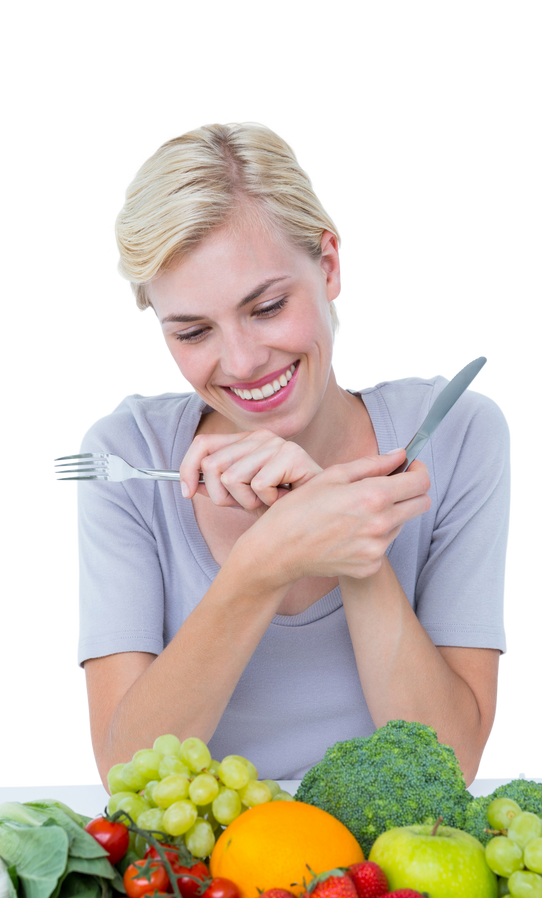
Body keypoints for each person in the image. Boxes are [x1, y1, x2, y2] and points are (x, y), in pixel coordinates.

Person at [76, 114, 512, 793]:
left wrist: (340, 533)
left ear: (330, 264)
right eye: (192, 331)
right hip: (204, 889)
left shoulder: (454, 431)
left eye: (268, 306)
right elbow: (128, 775)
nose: (244, 362)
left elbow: (447, 769)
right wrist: (265, 560)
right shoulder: (125, 456)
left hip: (392, 882)